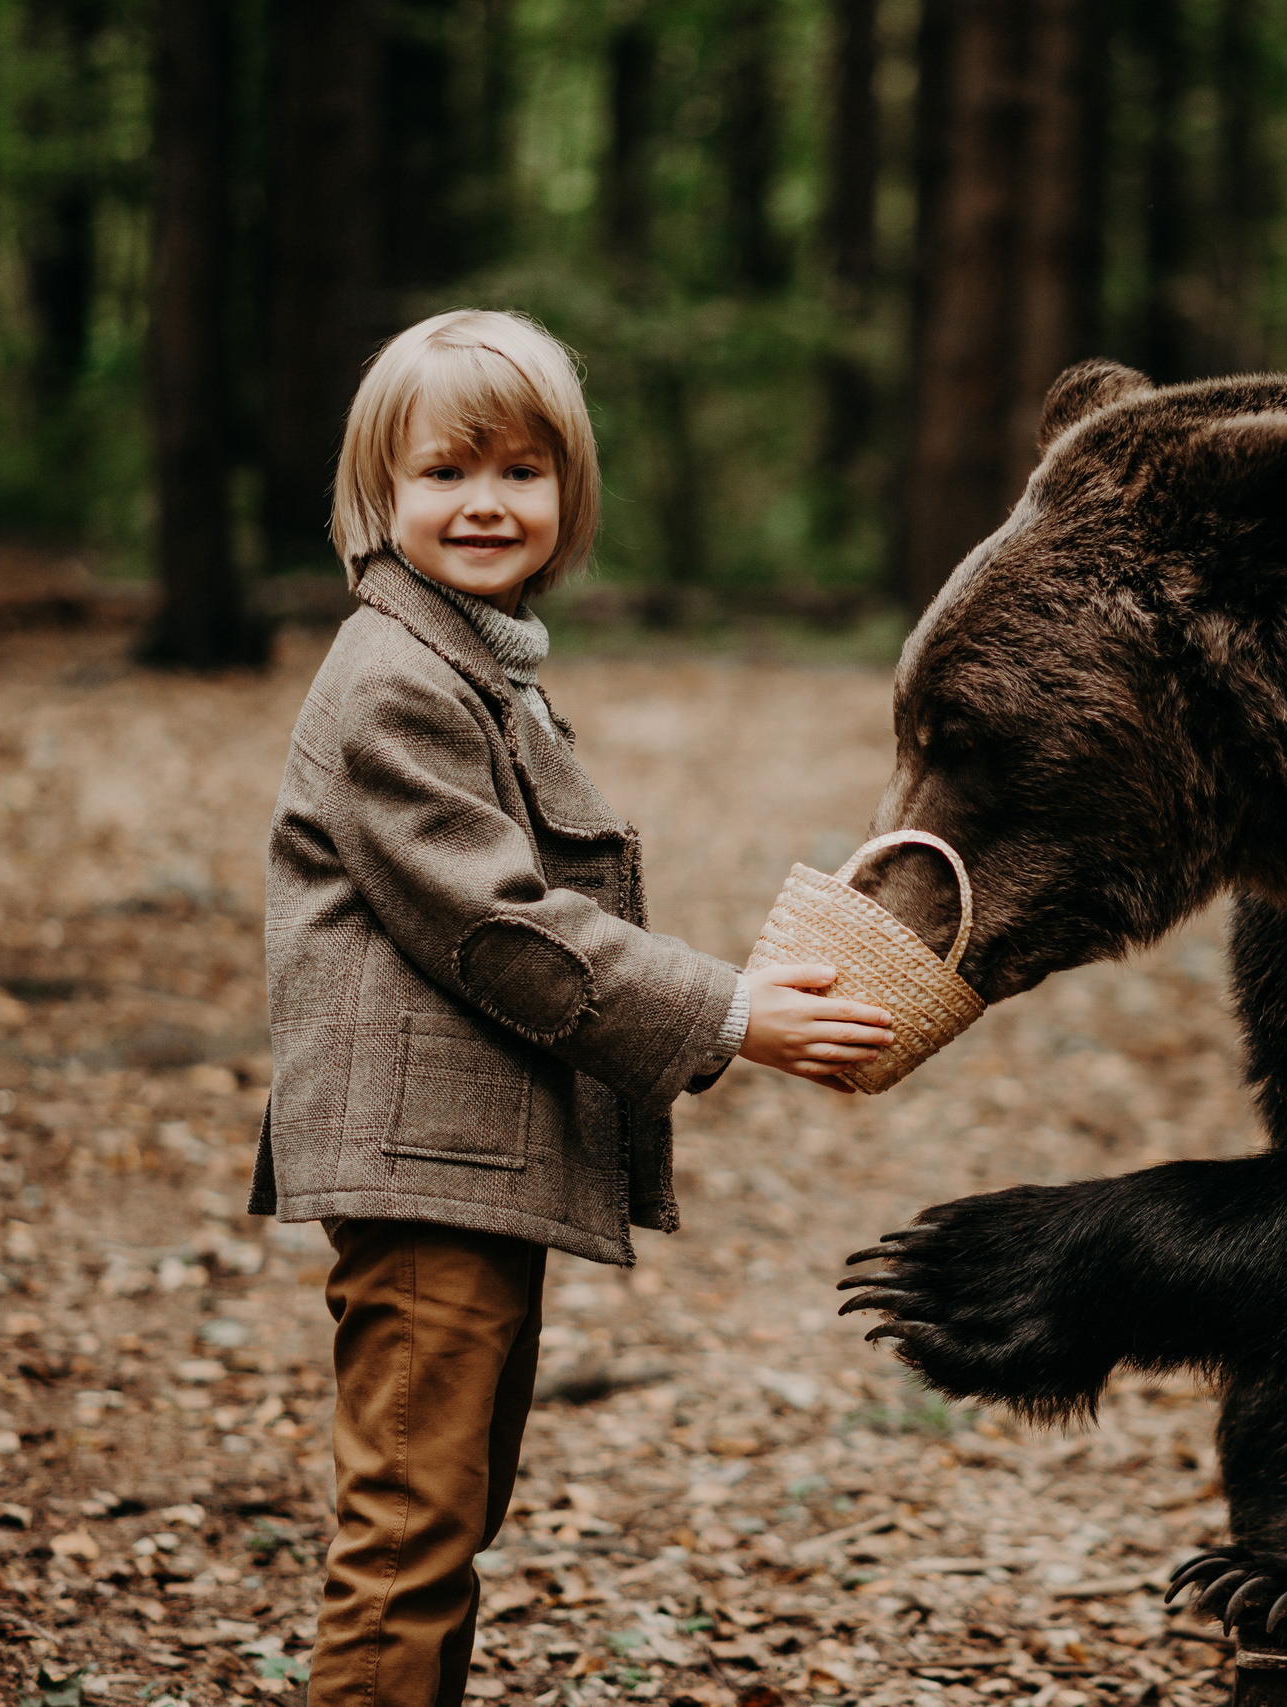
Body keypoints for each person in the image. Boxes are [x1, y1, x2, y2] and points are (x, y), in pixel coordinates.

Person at [252, 307, 895, 1706]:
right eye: (444, 472)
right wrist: (729, 1014)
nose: (484, 502)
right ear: (379, 491)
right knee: (408, 1537)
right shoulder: (391, 682)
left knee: (449, 1514)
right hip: (421, 1175)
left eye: (520, 471)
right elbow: (501, 928)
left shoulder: (477, 664)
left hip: (465, 1162)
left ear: (568, 490)